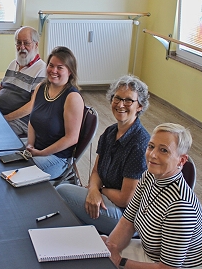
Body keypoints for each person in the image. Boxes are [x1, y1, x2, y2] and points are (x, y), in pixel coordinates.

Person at [103, 123, 202, 269]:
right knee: (98, 254)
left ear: (182, 160)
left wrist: (118, 262)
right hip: (150, 255)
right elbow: (127, 222)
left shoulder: (181, 206)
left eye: (163, 150)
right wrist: (111, 247)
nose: (152, 155)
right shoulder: (149, 176)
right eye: (151, 146)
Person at [56, 75, 150, 235]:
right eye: (117, 98)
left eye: (128, 101)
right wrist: (93, 189)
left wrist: (99, 191)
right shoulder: (109, 132)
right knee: (67, 200)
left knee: (62, 191)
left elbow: (125, 199)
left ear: (140, 106)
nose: (120, 104)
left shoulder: (140, 144)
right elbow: (96, 172)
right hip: (107, 201)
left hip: (127, 218)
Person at [0, 26, 46, 136]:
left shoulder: (41, 69)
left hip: (19, 121)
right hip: (0, 112)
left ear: (36, 45)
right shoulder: (14, 64)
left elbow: (32, 106)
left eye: (26, 43)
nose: (22, 47)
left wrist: (5, 118)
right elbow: (3, 90)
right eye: (18, 43)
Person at [26, 46, 84, 179]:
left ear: (70, 71)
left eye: (60, 67)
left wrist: (42, 153)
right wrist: (30, 144)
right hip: (37, 150)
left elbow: (72, 138)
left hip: (57, 158)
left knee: (20, 172)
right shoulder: (41, 87)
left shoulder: (72, 97)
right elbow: (32, 120)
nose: (53, 71)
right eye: (51, 66)